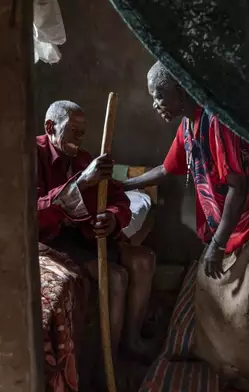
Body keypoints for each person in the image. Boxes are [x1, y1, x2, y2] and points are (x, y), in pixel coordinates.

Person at [123, 62, 249, 391]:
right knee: (212, 289)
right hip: (240, 219)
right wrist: (125, 185)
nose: (156, 103)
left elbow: (238, 188)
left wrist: (218, 245)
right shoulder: (190, 126)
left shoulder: (217, 122)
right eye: (153, 97)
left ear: (182, 90)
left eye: (160, 94)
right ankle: (232, 368)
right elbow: (167, 169)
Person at [36, 100, 156, 358]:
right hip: (53, 242)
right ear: (50, 127)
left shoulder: (84, 158)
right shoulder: (31, 155)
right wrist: (82, 182)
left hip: (86, 237)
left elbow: (118, 197)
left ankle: (132, 341)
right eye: (73, 131)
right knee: (115, 277)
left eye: (83, 132)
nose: (80, 138)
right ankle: (106, 364)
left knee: (144, 260)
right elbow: (34, 213)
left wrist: (113, 218)